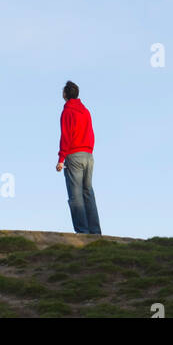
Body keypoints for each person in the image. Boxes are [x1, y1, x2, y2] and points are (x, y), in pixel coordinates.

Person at [56, 80, 101, 235]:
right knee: (88, 193)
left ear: (65, 94)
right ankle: (95, 232)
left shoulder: (67, 112)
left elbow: (66, 136)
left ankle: (83, 232)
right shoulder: (86, 111)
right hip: (88, 156)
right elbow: (91, 133)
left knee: (75, 196)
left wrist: (61, 159)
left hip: (74, 155)